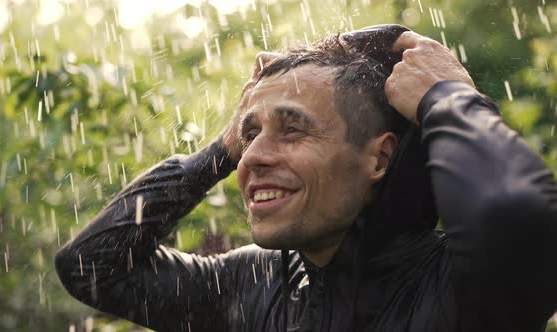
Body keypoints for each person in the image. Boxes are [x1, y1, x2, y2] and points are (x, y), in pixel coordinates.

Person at [55, 24, 557, 332]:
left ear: (378, 160)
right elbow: (91, 266)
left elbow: (515, 210)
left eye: (292, 129)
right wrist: (218, 152)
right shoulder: (249, 287)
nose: (253, 157)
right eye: (248, 136)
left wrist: (448, 98)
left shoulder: (469, 285)